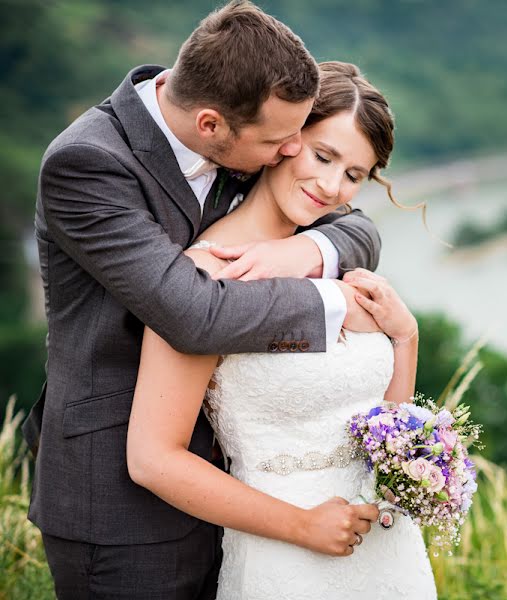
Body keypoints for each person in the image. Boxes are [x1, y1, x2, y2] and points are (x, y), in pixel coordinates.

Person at [26, 2, 382, 598]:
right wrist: (335, 303)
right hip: (120, 500)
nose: (291, 152)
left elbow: (357, 224)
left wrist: (313, 250)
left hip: (236, 483)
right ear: (212, 125)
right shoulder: (87, 165)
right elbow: (194, 314)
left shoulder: (247, 131)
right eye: (281, 142)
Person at [127, 61, 438, 599]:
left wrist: (405, 339)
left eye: (353, 175)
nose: (330, 186)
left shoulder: (335, 259)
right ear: (285, 140)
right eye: (324, 156)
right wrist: (301, 525)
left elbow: (381, 432)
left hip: (387, 555)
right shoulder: (203, 277)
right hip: (285, 555)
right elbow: (154, 459)